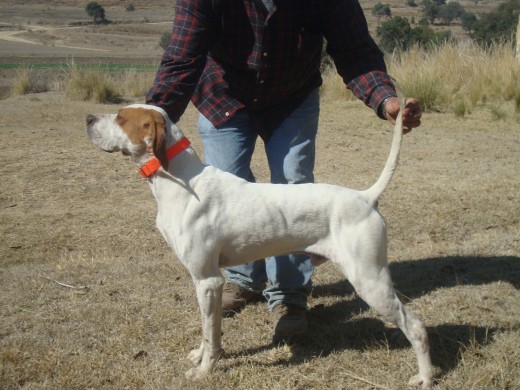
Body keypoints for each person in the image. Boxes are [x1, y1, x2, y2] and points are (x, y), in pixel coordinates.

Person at [146, 0, 422, 341]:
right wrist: (151, 120)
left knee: (295, 187)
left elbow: (356, 50)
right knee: (222, 194)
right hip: (223, 94)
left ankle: (289, 297)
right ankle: (244, 280)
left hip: (293, 95)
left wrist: (384, 98)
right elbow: (182, 59)